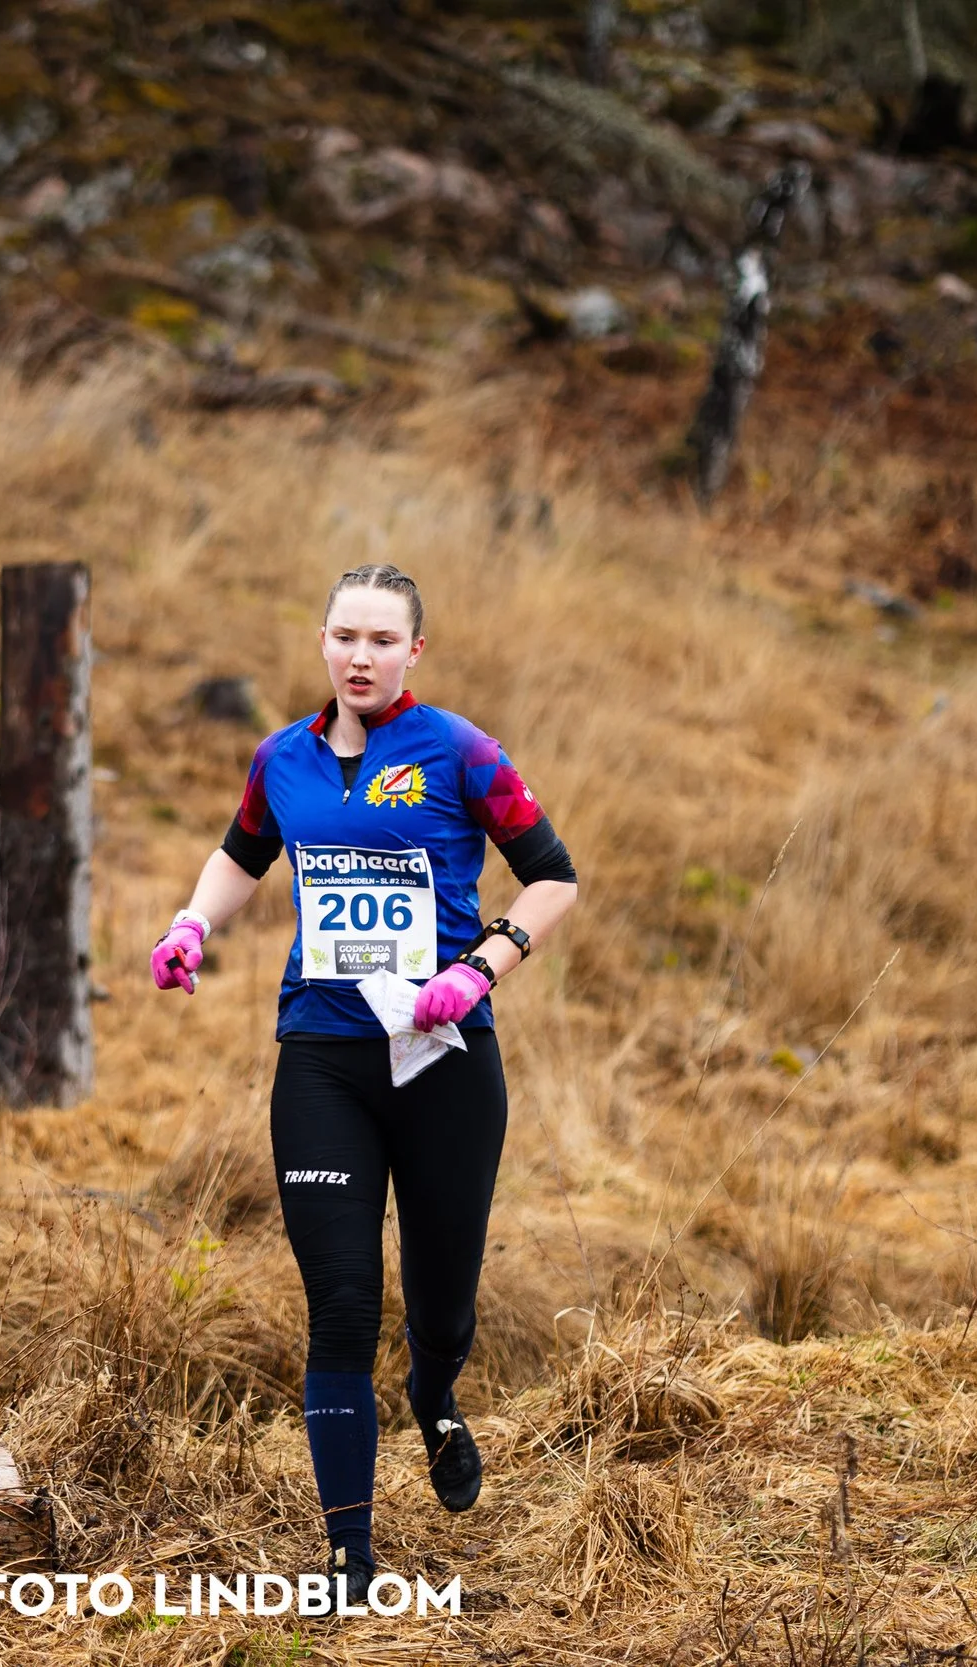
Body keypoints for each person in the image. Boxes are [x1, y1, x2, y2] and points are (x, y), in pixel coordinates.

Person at [148, 562, 578, 1601]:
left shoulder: (460, 751)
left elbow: (553, 876)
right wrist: (191, 922)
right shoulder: (281, 758)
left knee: (442, 1306)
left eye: (383, 640)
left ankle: (434, 1396)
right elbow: (242, 854)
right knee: (340, 1303)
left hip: (443, 1061)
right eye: (345, 635)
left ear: (413, 651)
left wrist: (482, 966)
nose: (360, 656)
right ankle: (349, 1553)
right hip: (323, 1058)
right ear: (323, 642)